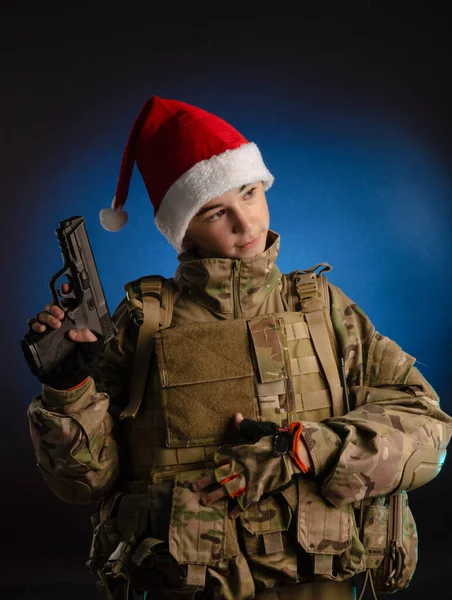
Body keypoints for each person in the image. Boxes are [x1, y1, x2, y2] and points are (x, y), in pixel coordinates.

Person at [26, 96, 452, 600]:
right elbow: (86, 483)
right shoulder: (143, 322)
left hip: (317, 581)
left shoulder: (320, 308)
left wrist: (306, 448)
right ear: (184, 227)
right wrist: (67, 390)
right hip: (185, 581)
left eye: (250, 193)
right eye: (215, 211)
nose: (246, 224)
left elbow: (429, 427)